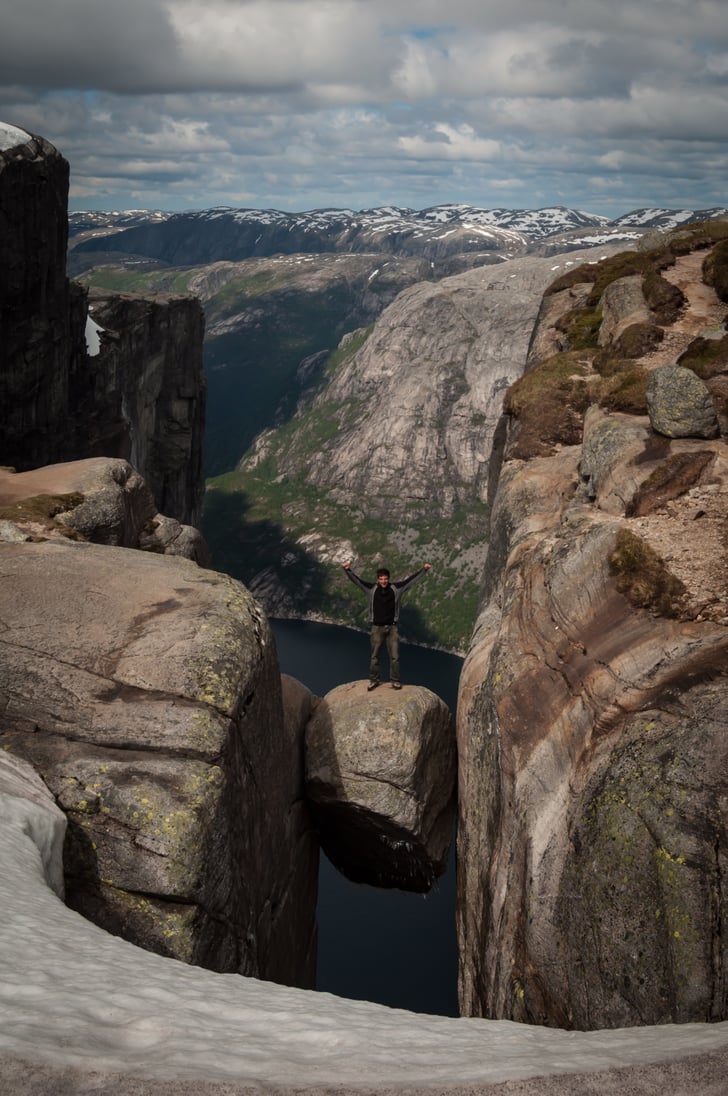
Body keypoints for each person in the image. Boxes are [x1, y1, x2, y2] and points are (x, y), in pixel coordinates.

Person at [342, 561, 431, 690]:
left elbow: (410, 580)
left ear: (388, 579)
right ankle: (374, 681)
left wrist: (424, 570)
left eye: (385, 579)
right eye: (381, 579)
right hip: (377, 628)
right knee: (375, 657)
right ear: (377, 579)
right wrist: (347, 570)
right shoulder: (371, 589)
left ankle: (395, 681)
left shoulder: (396, 589)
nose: (383, 581)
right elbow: (357, 581)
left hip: (392, 628)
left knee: (395, 657)